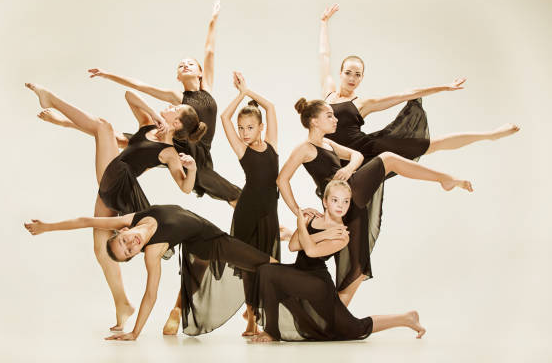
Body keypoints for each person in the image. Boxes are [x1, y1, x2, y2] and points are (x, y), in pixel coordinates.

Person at [25, 82, 203, 331]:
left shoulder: (169, 153)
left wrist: (191, 169)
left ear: (176, 124)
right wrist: (153, 115)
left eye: (175, 109)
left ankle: (51, 98)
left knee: (103, 126)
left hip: (119, 179)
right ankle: (122, 304)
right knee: (101, 246)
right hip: (118, 188)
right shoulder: (148, 126)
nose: (170, 106)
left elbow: (185, 187)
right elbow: (130, 95)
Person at [277, 98, 472, 306]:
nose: (335, 119)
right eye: (329, 116)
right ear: (314, 121)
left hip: (348, 196)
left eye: (334, 115)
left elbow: (357, 155)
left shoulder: (328, 143)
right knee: (388, 159)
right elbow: (282, 179)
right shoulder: (305, 148)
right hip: (340, 197)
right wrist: (298, 211)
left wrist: (349, 168)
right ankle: (445, 179)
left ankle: (335, 316)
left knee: (358, 265)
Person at [24, 204, 277, 339]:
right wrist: (135, 333)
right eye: (129, 253)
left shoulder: (133, 219)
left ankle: (180, 312)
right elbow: (150, 294)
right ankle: (286, 313)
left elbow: (85, 221)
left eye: (124, 242)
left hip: (198, 241)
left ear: (122, 231)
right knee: (269, 264)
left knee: (252, 270)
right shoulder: (154, 251)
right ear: (136, 256)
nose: (131, 245)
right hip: (213, 244)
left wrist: (46, 227)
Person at [318, 3, 519, 167]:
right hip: (337, 159)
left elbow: (406, 94)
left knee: (431, 145)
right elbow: (324, 55)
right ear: (340, 73)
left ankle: (490, 135)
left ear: (362, 78)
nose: (352, 78)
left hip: (366, 149)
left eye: (358, 74)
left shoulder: (363, 104)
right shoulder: (328, 94)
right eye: (348, 73)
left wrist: (444, 87)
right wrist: (324, 23)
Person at [87, 0, 241, 205]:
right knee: (119, 138)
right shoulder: (177, 97)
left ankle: (267, 229)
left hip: (202, 155)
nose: (185, 66)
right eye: (181, 65)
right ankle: (71, 124)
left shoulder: (207, 88)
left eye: (190, 64)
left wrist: (213, 20)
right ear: (178, 77)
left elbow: (209, 51)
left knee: (234, 195)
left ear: (200, 72)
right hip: (180, 148)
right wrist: (108, 75)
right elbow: (140, 86)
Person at [251, 180, 426, 342]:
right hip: (299, 274)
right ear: (325, 202)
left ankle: (405, 318)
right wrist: (320, 232)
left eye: (346, 201)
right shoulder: (313, 219)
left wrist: (301, 224)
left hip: (317, 284)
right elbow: (293, 245)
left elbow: (311, 251)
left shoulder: (342, 234)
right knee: (266, 270)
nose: (341, 206)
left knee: (356, 329)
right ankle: (271, 331)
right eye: (335, 200)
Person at [220, 72, 280, 336]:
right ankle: (252, 319)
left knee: (268, 265)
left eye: (249, 127)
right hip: (246, 213)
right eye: (241, 128)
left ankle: (260, 311)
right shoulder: (242, 150)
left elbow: (270, 107)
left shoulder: (273, 145)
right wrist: (240, 95)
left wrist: (249, 91)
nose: (244, 133)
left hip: (269, 215)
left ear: (261, 127)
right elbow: (224, 118)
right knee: (248, 266)